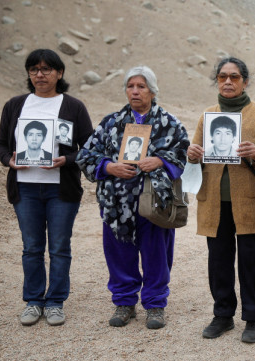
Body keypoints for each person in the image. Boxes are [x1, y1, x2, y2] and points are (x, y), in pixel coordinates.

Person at [76, 66, 188, 330]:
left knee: (156, 253)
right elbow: (86, 156)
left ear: (152, 90)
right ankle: (124, 302)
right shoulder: (111, 122)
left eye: (141, 86)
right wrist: (108, 167)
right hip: (117, 203)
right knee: (118, 252)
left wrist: (160, 160)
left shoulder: (169, 123)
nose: (135, 91)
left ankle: (155, 305)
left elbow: (183, 153)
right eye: (131, 86)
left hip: (154, 202)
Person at [0, 49, 93, 326]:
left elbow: (89, 146)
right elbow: (1, 143)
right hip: (25, 189)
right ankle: (33, 301)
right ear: (29, 74)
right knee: (31, 247)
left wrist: (67, 159)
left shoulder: (73, 106)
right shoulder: (15, 105)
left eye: (46, 69)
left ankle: (55, 302)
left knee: (60, 247)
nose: (40, 74)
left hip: (60, 190)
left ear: (59, 73)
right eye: (34, 69)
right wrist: (8, 160)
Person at [187, 57, 255, 343]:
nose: (228, 81)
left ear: (245, 81)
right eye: (223, 76)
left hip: (250, 201)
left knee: (251, 261)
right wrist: (192, 155)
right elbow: (195, 157)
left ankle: (254, 317)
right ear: (217, 80)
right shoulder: (207, 115)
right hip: (213, 201)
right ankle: (223, 315)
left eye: (234, 77)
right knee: (219, 261)